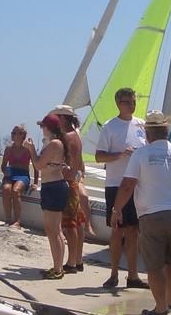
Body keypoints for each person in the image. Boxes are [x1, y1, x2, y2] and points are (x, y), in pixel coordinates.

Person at [112, 110, 171, 315]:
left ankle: (160, 308)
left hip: (152, 214)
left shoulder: (141, 154)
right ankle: (170, 303)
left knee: (154, 265)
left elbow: (127, 185)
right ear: (166, 132)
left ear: (149, 134)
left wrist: (117, 210)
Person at [94, 87, 148, 289]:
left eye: (134, 101)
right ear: (118, 103)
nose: (132, 105)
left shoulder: (141, 124)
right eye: (127, 102)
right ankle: (114, 273)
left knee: (134, 231)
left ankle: (133, 276)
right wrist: (122, 154)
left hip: (138, 184)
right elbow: (99, 156)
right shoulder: (110, 126)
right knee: (117, 230)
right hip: (116, 184)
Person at [48, 104, 87, 273]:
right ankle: (77, 260)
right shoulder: (75, 135)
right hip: (73, 182)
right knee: (77, 223)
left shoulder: (68, 137)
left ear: (63, 118)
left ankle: (71, 263)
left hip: (67, 183)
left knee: (69, 225)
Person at [32, 114, 71, 279]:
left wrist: (31, 149)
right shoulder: (56, 143)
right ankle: (58, 266)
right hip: (53, 186)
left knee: (52, 230)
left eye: (43, 126)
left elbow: (39, 164)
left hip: (54, 187)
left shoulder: (55, 144)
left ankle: (57, 269)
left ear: (49, 128)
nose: (41, 129)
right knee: (56, 230)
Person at [0, 124, 37, 227]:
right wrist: (5, 172)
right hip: (10, 174)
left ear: (23, 135)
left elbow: (36, 166)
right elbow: (3, 166)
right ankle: (7, 219)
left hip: (23, 175)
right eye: (13, 133)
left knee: (16, 191)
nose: (14, 135)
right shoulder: (8, 148)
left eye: (17, 133)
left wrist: (36, 183)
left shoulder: (28, 149)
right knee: (6, 189)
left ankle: (17, 221)